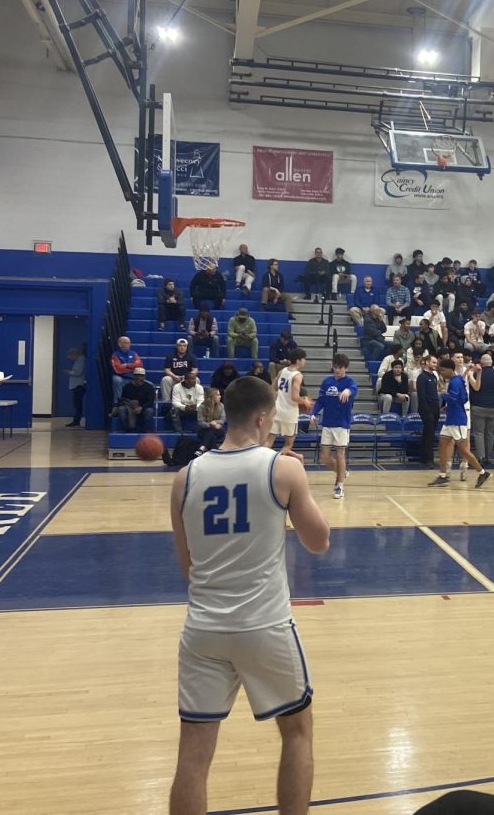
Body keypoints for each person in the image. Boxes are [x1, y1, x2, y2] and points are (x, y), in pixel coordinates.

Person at [166, 376, 330, 815]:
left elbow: (188, 567)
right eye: (271, 419)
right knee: (296, 733)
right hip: (264, 625)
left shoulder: (185, 477)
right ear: (261, 417)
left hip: (202, 628)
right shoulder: (282, 467)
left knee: (193, 756)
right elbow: (319, 541)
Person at [429, 355, 491, 488]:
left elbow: (455, 399)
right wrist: (449, 405)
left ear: (450, 370)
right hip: (451, 418)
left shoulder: (455, 382)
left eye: (443, 371)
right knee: (442, 444)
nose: (441, 373)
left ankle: (482, 472)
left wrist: (444, 394)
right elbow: (463, 399)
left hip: (457, 420)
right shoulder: (457, 380)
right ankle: (443, 476)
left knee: (464, 450)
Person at [309, 353, 356, 499]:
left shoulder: (349, 382)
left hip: (342, 424)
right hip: (327, 424)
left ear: (345, 369)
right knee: (324, 457)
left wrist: (348, 391)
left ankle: (339, 486)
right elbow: (320, 401)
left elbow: (353, 389)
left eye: (340, 367)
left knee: (340, 454)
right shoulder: (326, 382)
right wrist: (313, 413)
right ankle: (342, 472)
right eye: (335, 367)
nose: (337, 370)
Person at [468, 353, 494, 469]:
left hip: (479, 406)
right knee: (489, 433)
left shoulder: (476, 373)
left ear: (481, 364)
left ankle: (481, 457)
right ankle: (489, 457)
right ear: (491, 362)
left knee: (479, 433)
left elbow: (472, 390)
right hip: (493, 407)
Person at [268, 348, 306, 457]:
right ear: (298, 360)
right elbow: (295, 397)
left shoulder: (282, 371)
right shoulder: (298, 375)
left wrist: (280, 397)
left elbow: (272, 388)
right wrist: (304, 401)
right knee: (288, 443)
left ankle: (260, 462)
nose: (305, 361)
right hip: (289, 413)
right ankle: (277, 462)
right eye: (304, 359)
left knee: (268, 441)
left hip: (277, 410)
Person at [415, 355, 441, 466]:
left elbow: (434, 393)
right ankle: (429, 459)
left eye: (436, 363)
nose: (435, 365)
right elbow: (421, 396)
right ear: (427, 362)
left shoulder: (434, 376)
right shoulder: (422, 377)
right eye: (433, 362)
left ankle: (423, 457)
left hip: (435, 408)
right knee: (429, 434)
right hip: (427, 409)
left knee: (428, 433)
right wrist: (426, 410)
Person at [117, 367, 155, 431]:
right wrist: (130, 406)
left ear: (144, 377)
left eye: (141, 376)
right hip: (129, 407)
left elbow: (150, 401)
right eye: (137, 375)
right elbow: (122, 399)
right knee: (121, 409)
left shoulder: (149, 387)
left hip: (143, 408)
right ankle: (127, 429)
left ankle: (144, 429)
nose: (138, 377)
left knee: (149, 411)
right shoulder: (127, 386)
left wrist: (141, 408)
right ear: (133, 376)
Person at [161, 338, 198, 403]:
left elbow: (195, 370)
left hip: (186, 379)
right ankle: (166, 401)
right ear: (177, 346)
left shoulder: (192, 357)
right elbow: (167, 370)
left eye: (184, 346)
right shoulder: (170, 356)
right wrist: (174, 376)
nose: (182, 347)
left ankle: (194, 401)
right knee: (166, 379)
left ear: (187, 347)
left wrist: (186, 377)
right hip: (174, 378)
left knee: (196, 379)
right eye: (180, 345)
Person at [109, 335, 144, 400]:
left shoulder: (133, 353)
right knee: (116, 380)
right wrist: (132, 368)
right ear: (120, 344)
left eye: (129, 343)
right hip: (121, 377)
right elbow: (118, 369)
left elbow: (140, 365)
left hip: (133, 377)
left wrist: (127, 365)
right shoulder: (115, 355)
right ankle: (118, 404)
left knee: (149, 384)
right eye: (126, 343)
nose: (129, 344)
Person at [196, 387, 226, 452]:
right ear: (212, 396)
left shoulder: (221, 406)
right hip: (204, 430)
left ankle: (202, 447)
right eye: (218, 395)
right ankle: (215, 451)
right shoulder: (202, 407)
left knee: (210, 431)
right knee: (211, 435)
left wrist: (214, 422)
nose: (220, 396)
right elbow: (201, 422)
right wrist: (210, 424)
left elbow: (223, 420)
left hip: (218, 430)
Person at [63, 347, 86, 427]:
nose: (71, 359)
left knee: (77, 404)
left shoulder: (81, 360)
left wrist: (68, 372)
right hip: (77, 385)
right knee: (77, 404)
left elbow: (78, 372)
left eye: (71, 357)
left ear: (74, 354)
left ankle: (76, 420)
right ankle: (76, 420)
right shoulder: (80, 360)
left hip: (78, 385)